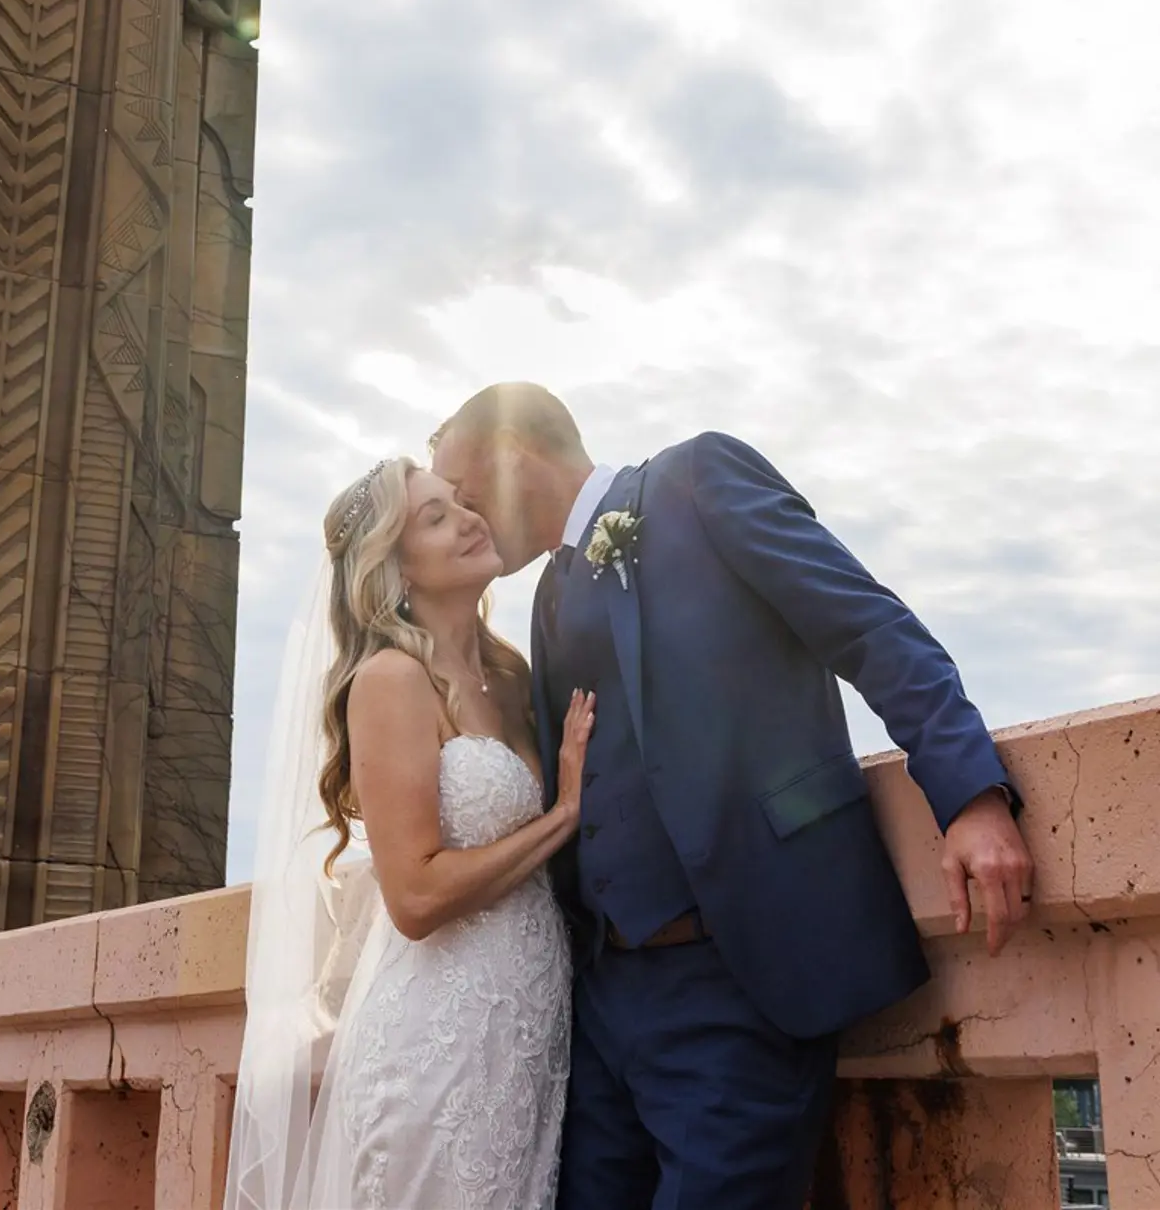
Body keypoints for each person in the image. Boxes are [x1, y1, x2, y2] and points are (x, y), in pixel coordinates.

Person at [431, 384, 1036, 1210]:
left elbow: (868, 627)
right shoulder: (547, 597)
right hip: (603, 1005)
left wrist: (970, 797)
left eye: (464, 494)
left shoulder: (698, 481)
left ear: (512, 455)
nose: (463, 519)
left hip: (738, 979)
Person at [224, 458, 595, 1209]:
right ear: (395, 570)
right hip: (436, 1049)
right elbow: (415, 897)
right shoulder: (391, 680)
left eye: (460, 502)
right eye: (435, 517)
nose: (469, 519)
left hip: (527, 1039)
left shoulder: (512, 678)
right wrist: (561, 817)